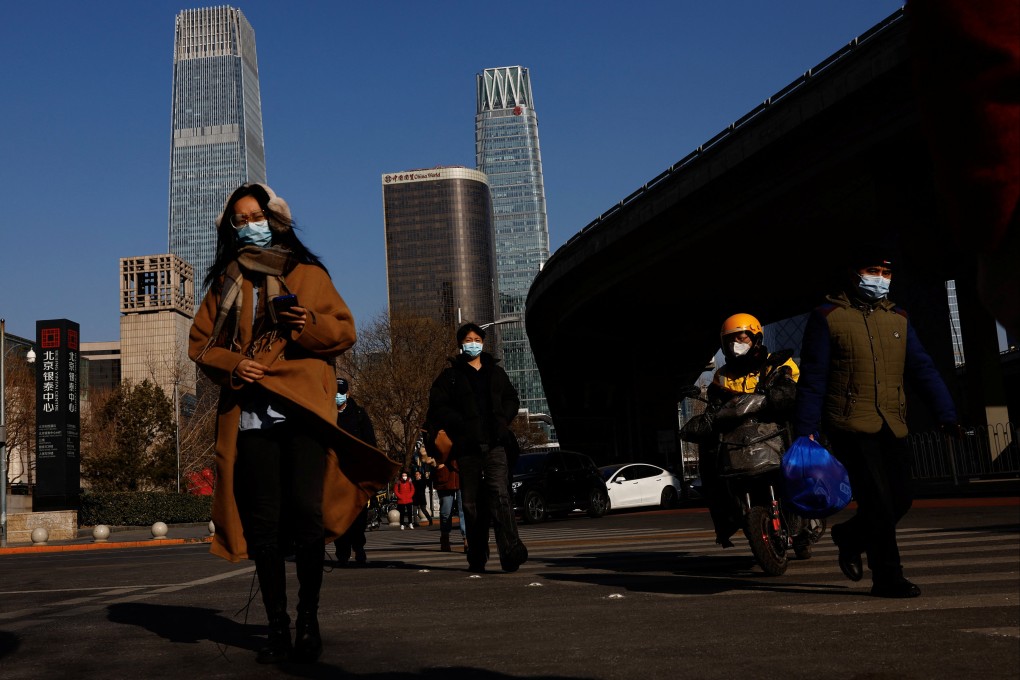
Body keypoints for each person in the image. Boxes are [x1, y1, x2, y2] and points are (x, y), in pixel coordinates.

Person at [188, 182, 397, 664]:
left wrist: (305, 324)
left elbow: (343, 330)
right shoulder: (225, 281)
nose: (248, 226)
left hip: (302, 412)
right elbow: (200, 345)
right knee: (263, 525)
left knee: (306, 514)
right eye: (239, 220)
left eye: (255, 216)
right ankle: (278, 626)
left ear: (274, 218)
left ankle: (308, 618)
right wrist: (234, 366)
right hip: (251, 418)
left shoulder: (307, 272)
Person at [791, 247, 960, 598]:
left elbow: (922, 369)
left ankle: (849, 536)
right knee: (878, 503)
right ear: (854, 273)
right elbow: (813, 378)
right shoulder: (828, 317)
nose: (880, 279)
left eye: (886, 273)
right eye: (873, 270)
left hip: (892, 422)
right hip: (850, 424)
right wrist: (806, 430)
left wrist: (946, 414)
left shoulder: (898, 318)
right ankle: (888, 577)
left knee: (902, 498)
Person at [698, 313, 806, 553]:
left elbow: (792, 392)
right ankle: (726, 521)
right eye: (731, 340)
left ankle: (803, 516)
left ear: (756, 338)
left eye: (743, 338)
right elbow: (717, 406)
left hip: (777, 435)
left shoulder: (779, 363)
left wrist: (774, 397)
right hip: (741, 442)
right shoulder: (722, 375)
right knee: (711, 461)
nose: (737, 344)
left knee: (803, 462)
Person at [427, 322, 527, 573]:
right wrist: (461, 424)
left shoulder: (496, 373)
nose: (473, 343)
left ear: (483, 342)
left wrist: (503, 420)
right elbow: (438, 408)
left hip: (496, 444)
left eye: (477, 339)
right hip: (468, 448)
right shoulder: (450, 377)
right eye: (468, 339)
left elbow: (511, 398)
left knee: (500, 496)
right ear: (461, 344)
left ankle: (511, 551)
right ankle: (477, 553)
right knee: (471, 504)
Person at [332, 377, 377, 566]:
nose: (337, 396)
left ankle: (359, 547)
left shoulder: (358, 414)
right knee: (338, 513)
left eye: (340, 392)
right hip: (334, 473)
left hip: (356, 472)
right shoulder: (325, 414)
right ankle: (342, 550)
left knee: (358, 514)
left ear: (347, 393)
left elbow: (370, 443)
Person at [425, 422, 468, 552]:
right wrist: (436, 462)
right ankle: (445, 537)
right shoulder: (438, 420)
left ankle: (466, 538)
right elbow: (427, 437)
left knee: (464, 509)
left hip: (461, 471)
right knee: (446, 511)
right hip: (445, 473)